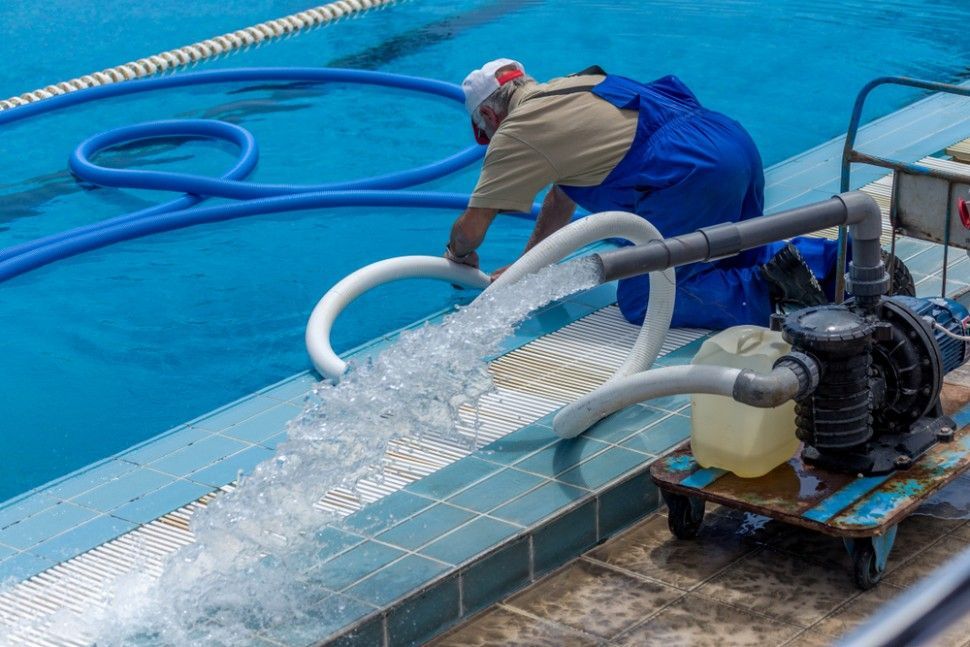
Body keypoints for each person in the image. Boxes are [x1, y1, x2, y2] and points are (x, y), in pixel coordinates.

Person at [444, 58, 912, 330]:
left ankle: (772, 293)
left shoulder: (519, 131)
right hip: (731, 144)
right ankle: (843, 264)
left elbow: (471, 231)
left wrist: (456, 255)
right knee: (727, 254)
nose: (488, 140)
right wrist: (533, 264)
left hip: (688, 173)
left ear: (489, 116)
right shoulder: (576, 86)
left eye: (483, 132)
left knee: (649, 295)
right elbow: (562, 197)